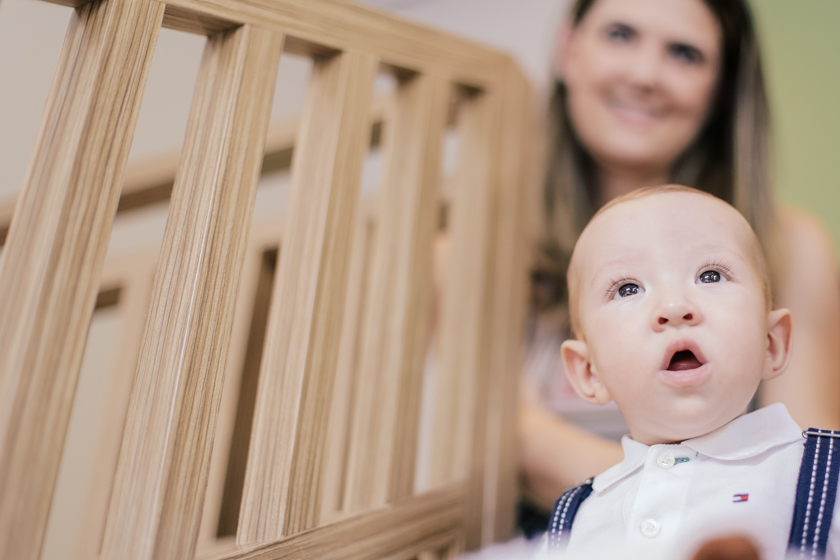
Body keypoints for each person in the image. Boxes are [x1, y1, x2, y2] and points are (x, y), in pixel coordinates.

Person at [520, 0, 840, 517]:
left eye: (685, 53)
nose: (645, 74)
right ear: (569, 49)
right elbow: (520, 447)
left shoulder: (794, 248)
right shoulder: (479, 251)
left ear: (720, 89)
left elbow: (812, 476)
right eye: (621, 34)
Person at [535, 185, 839, 559]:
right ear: (588, 372)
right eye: (628, 288)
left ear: (771, 343)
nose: (675, 306)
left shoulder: (821, 479)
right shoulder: (579, 515)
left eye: (710, 275)